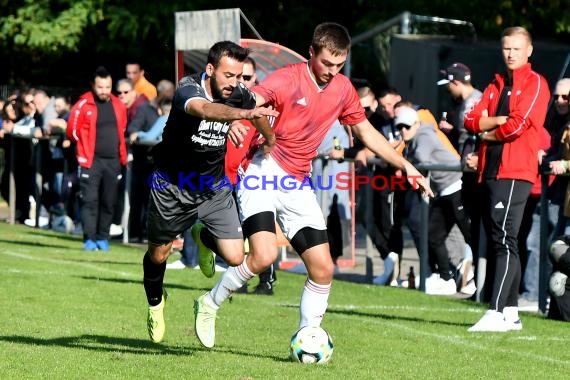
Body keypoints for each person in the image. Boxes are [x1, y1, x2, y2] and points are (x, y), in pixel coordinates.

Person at [193, 22, 433, 349]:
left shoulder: (343, 88)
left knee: (323, 268)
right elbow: (252, 98)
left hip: (298, 182)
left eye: (339, 65)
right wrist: (236, 118)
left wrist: (406, 165)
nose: (332, 71)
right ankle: (210, 303)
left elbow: (366, 133)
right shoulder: (287, 78)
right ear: (311, 53)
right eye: (326, 63)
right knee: (262, 257)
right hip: (263, 171)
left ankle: (308, 338)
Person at [142, 41, 278, 343]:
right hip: (173, 185)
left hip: (213, 187)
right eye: (228, 75)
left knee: (234, 256)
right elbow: (205, 109)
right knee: (159, 253)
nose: (234, 83)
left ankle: (203, 235)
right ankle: (155, 302)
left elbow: (254, 113)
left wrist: (269, 138)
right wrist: (235, 116)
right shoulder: (188, 90)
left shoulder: (237, 94)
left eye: (240, 76)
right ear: (210, 69)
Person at [464, 26, 550, 332]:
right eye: (506, 48)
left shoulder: (536, 83)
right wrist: (492, 122)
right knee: (503, 238)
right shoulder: (496, 83)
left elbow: (519, 125)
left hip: (515, 171)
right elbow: (470, 119)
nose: (510, 54)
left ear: (529, 51)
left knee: (503, 239)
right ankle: (511, 312)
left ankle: (495, 311)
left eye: (516, 48)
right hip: (491, 170)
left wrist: (488, 131)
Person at [394, 105, 475, 296]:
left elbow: (420, 159)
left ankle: (477, 276)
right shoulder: (413, 139)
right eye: (400, 127)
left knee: (471, 235)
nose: (403, 131)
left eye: (406, 126)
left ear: (416, 124)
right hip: (444, 192)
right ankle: (446, 278)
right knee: (433, 234)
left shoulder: (423, 135)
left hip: (457, 188)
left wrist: (403, 159)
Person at [224, 56, 277, 295]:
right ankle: (241, 278)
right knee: (236, 232)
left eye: (247, 77)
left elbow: (272, 139)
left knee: (258, 228)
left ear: (255, 78)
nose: (242, 82)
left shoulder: (263, 107)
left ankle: (266, 280)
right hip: (226, 175)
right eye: (238, 77)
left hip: (252, 176)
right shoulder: (225, 102)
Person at [66, 66, 128, 251]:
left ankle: (103, 237)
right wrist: (83, 149)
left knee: (109, 201)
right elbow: (72, 131)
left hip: (113, 161)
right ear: (93, 85)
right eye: (101, 87)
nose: (104, 91)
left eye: (108, 87)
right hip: (91, 161)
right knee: (90, 200)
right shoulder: (83, 105)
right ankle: (89, 239)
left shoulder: (118, 105)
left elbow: (122, 129)